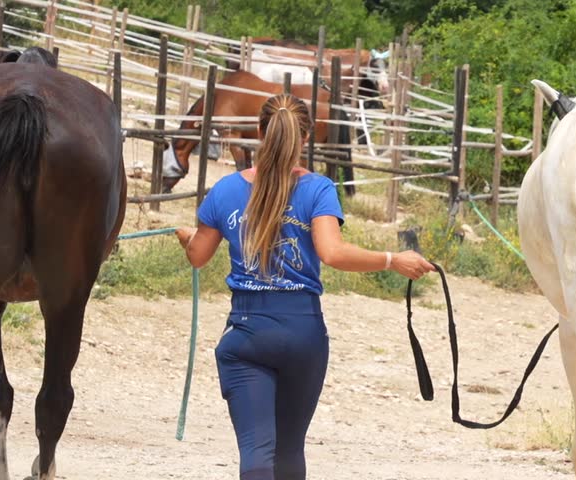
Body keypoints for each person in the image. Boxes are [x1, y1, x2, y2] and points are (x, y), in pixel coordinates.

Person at [174, 94, 435, 480]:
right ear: (306, 137)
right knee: (290, 451)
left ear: (261, 132)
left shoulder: (225, 190)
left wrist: (185, 236)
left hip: (247, 333)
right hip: (303, 333)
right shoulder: (318, 189)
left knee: (257, 455)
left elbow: (198, 256)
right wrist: (392, 260)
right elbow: (331, 252)